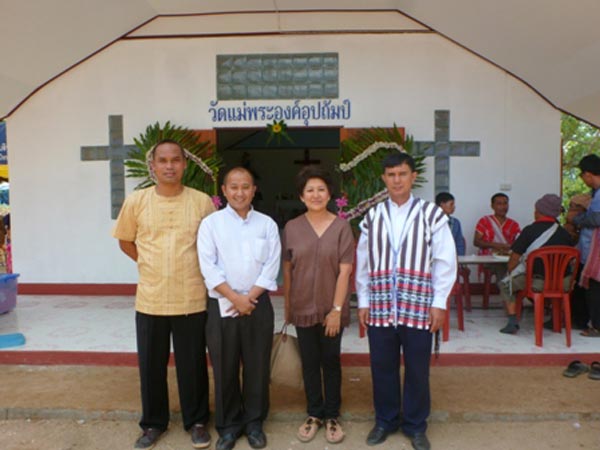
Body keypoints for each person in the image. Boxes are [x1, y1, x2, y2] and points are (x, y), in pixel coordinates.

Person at [112, 140, 215, 449]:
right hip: (151, 298)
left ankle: (197, 421)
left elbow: (212, 246)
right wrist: (148, 263)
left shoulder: (201, 202)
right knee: (151, 366)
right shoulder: (137, 201)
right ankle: (153, 424)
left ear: (185, 164)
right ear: (153, 165)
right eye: (163, 160)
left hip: (191, 297)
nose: (169, 166)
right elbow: (125, 241)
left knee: (192, 365)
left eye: (175, 160)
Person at [356, 153, 457, 450]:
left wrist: (439, 303)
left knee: (417, 368)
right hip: (380, 305)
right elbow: (362, 262)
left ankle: (415, 425)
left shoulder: (431, 214)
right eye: (391, 175)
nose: (397, 180)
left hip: (419, 306)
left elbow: (445, 261)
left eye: (402, 174)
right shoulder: (372, 217)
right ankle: (385, 420)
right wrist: (363, 300)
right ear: (384, 179)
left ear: (413, 177)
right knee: (382, 366)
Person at [197, 167, 281, 450]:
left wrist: (248, 299)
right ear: (224, 190)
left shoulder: (267, 224)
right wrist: (235, 298)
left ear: (254, 190)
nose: (240, 192)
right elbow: (208, 267)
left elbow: (271, 266)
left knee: (257, 366)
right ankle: (229, 426)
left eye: (245, 186)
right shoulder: (211, 224)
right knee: (225, 367)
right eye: (233, 187)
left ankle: (254, 423)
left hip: (258, 305)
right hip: (222, 306)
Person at [282, 166, 354, 445]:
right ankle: (314, 413)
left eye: (321, 189)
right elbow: (287, 270)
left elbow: (345, 271)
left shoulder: (341, 227)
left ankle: (332, 415)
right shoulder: (292, 228)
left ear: (329, 194)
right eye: (309, 190)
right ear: (301, 196)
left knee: (331, 361)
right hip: (302, 307)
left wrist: (336, 311)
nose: (316, 194)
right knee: (309, 362)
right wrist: (288, 307)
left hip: (331, 307)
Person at [498, 194, 573, 334]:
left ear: (539, 212)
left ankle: (512, 321)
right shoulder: (565, 233)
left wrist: (510, 271)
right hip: (563, 283)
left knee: (505, 284)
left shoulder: (529, 231)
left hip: (538, 282)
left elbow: (514, 259)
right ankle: (555, 319)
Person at [573, 154, 600, 337]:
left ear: (588, 174)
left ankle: (596, 326)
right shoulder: (595, 193)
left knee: (594, 288)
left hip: (595, 251)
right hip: (590, 249)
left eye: (582, 176)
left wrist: (577, 219)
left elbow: (597, 219)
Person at [474, 193, 521, 284]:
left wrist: (508, 248)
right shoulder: (484, 221)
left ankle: (508, 288)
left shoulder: (514, 224)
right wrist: (497, 245)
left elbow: (519, 243)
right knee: (501, 267)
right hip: (488, 258)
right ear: (492, 206)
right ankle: (504, 288)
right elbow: (476, 242)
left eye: (505, 203)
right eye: (499, 204)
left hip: (508, 258)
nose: (503, 207)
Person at [435, 192, 465, 256]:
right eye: (451, 204)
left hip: (451, 257)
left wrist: (460, 258)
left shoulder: (456, 223)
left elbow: (459, 243)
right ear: (442, 204)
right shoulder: (431, 221)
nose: (454, 207)